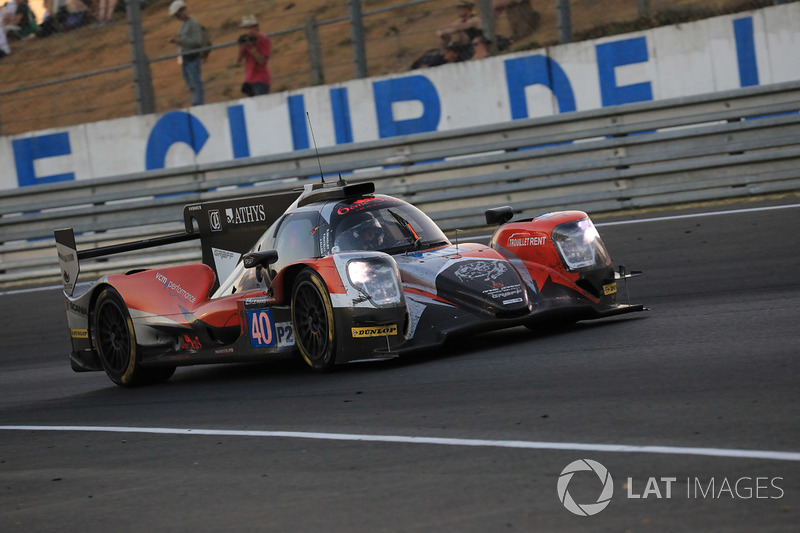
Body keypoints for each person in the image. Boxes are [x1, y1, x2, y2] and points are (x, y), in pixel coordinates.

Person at [168, 0, 204, 106]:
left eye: (177, 14)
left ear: (182, 11)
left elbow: (198, 42)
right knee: (190, 84)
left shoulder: (193, 23)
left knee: (196, 83)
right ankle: (195, 102)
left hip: (193, 58)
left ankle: (198, 104)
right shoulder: (184, 24)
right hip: (186, 58)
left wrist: (180, 41)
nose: (177, 17)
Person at [236, 14, 271, 97]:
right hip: (249, 79)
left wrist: (250, 47)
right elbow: (239, 59)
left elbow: (262, 60)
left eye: (250, 27)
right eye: (246, 28)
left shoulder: (263, 40)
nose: (249, 30)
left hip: (261, 79)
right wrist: (241, 46)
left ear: (256, 27)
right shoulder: (246, 40)